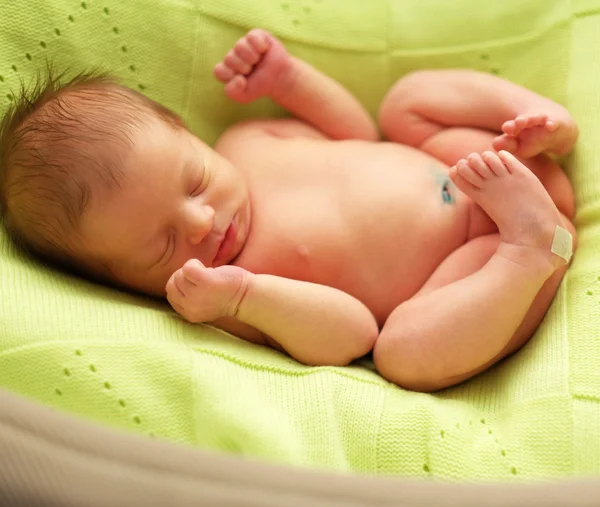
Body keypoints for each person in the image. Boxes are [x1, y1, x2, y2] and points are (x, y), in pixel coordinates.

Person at [0, 29, 578, 392]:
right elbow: (353, 334)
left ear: (189, 136)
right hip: (468, 268)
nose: (202, 223)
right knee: (403, 355)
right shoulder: (228, 296)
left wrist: (289, 79)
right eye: (162, 245)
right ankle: (529, 252)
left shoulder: (246, 143)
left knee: (404, 103)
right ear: (121, 283)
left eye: (195, 183)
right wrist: (245, 295)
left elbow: (354, 132)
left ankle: (537, 121)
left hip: (467, 156)